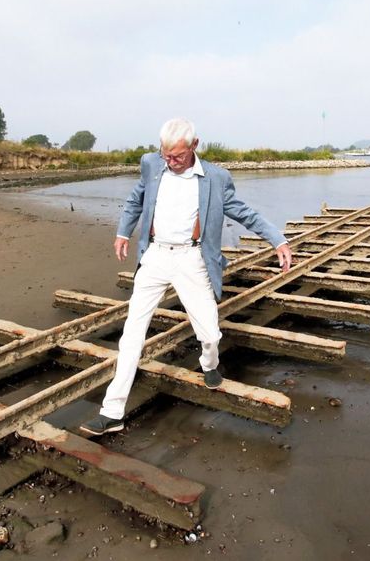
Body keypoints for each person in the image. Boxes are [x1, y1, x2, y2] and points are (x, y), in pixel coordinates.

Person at [80, 118, 293, 436]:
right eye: (166, 154)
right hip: (154, 257)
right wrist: (123, 232)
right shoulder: (152, 164)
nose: (170, 161)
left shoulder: (216, 179)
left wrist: (278, 239)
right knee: (132, 335)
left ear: (195, 146)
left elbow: (244, 212)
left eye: (177, 156)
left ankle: (209, 364)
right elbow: (136, 199)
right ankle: (112, 412)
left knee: (209, 333)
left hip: (192, 259)